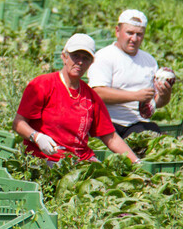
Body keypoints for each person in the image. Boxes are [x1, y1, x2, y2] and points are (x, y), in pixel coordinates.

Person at [13, 34, 139, 165]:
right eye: (75, 56)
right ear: (64, 57)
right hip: (46, 159)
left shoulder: (91, 97)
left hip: (80, 160)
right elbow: (18, 123)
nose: (80, 62)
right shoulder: (42, 84)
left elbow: (111, 137)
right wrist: (37, 137)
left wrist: (136, 162)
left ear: (91, 63)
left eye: (86, 58)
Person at [87, 9, 174, 139]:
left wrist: (164, 95)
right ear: (117, 31)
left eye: (139, 34)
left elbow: (155, 103)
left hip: (137, 123)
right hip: (107, 121)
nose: (134, 39)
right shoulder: (105, 56)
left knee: (154, 137)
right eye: (130, 33)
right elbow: (98, 92)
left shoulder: (149, 61)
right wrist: (135, 96)